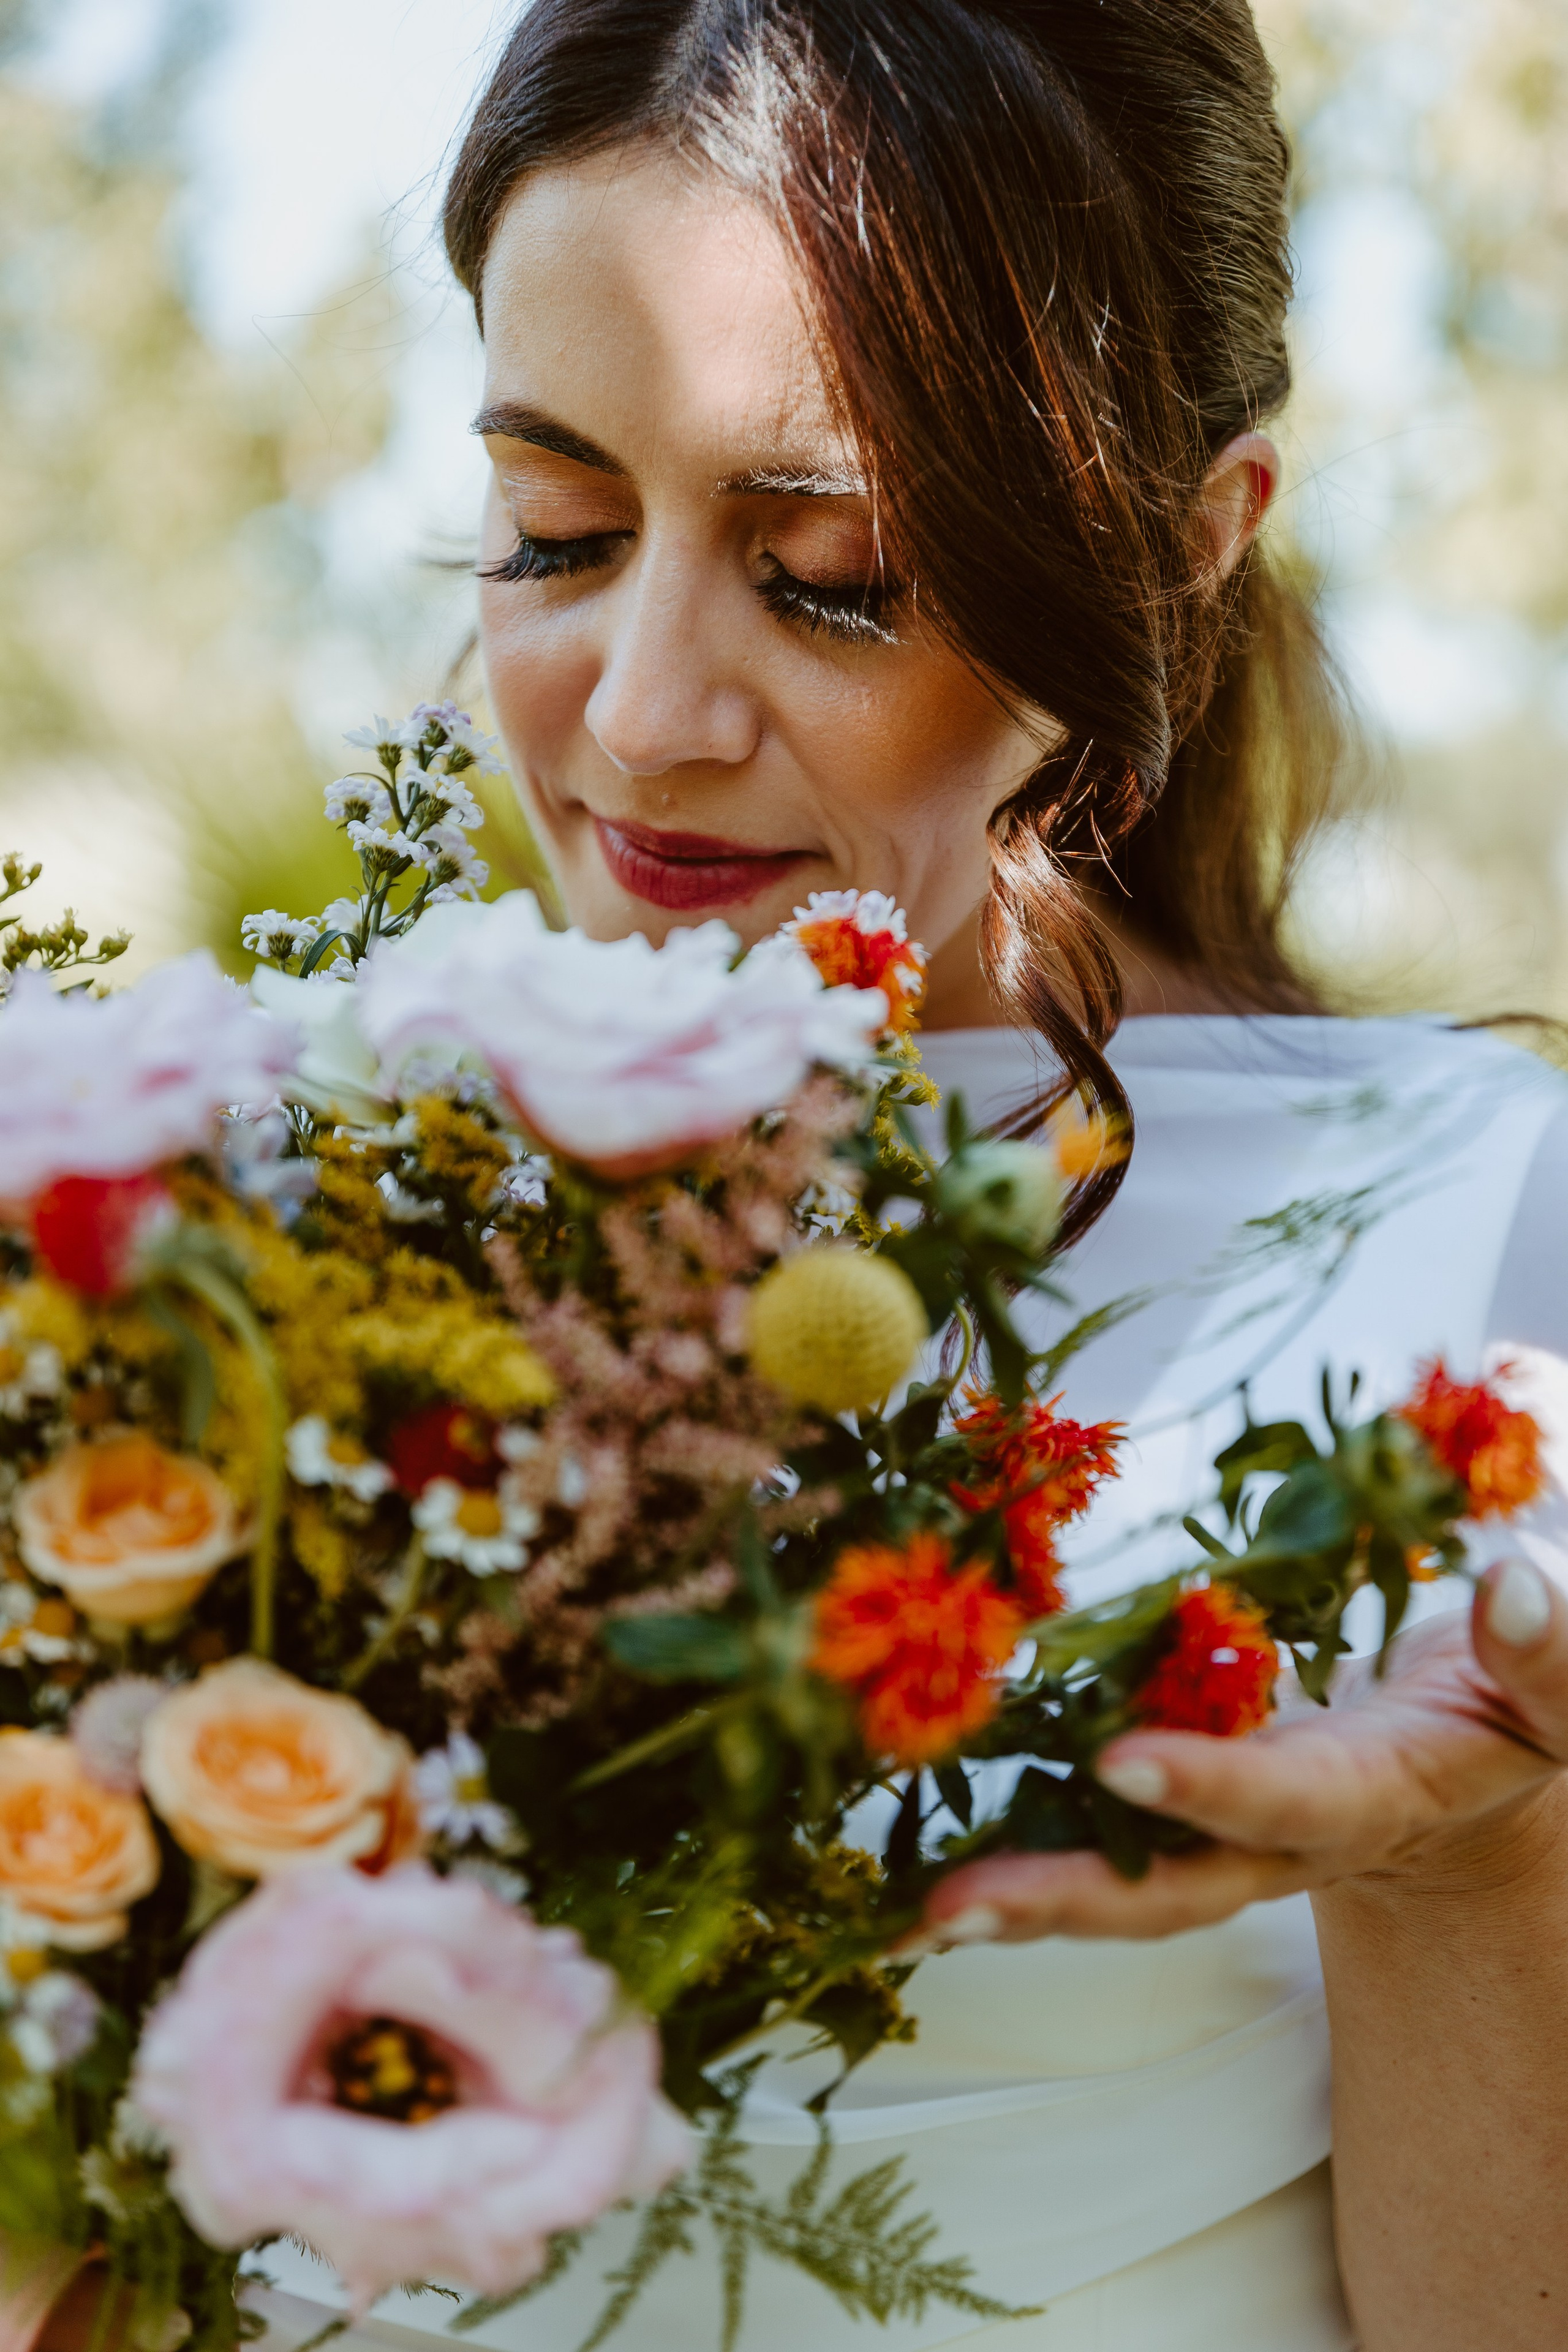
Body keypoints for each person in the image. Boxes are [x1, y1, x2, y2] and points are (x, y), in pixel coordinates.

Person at [263, 4, 1568, 2348]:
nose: (644, 711)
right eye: (554, 529)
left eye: (834, 569)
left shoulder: (1489, 1244)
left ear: (1180, 560)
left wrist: (1484, 1873)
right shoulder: (238, 1198)